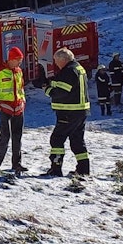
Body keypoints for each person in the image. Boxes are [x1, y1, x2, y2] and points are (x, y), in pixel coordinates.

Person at [46, 47, 90, 176]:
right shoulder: (78, 68)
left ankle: (56, 169)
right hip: (80, 111)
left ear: (63, 59)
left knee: (57, 139)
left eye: (56, 60)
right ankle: (83, 169)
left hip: (69, 112)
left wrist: (47, 90)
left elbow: (61, 92)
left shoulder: (69, 71)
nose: (56, 64)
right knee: (77, 140)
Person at [0, 46, 27, 175]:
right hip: (5, 109)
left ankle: (17, 164)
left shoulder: (19, 71)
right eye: (18, 60)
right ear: (11, 59)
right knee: (5, 137)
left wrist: (23, 102)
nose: (20, 62)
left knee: (17, 137)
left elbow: (21, 89)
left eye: (21, 60)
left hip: (18, 109)